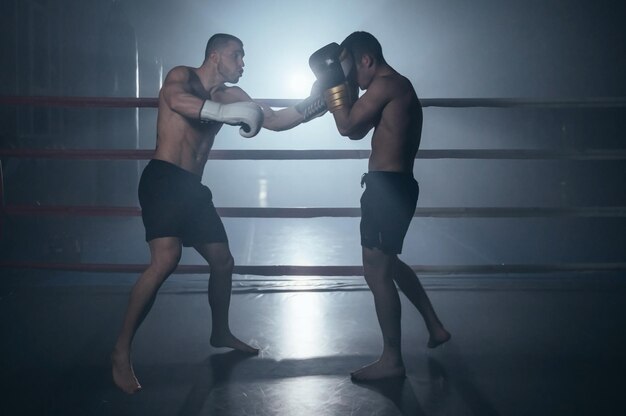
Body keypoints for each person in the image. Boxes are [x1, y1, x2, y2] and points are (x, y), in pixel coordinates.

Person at [111, 33, 325, 394]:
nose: (242, 62)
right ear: (215, 56)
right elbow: (175, 100)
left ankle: (220, 331)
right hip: (163, 179)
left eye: (243, 56)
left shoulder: (233, 96)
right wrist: (225, 115)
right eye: (236, 55)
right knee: (166, 260)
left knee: (222, 261)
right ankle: (120, 351)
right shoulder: (184, 76)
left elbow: (272, 119)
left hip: (192, 189)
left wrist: (316, 103)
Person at [309, 32, 451, 381]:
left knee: (376, 272)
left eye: (352, 71)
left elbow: (345, 126)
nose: (351, 79)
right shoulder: (391, 87)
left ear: (367, 60)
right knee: (389, 264)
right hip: (391, 186)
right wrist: (343, 89)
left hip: (388, 188)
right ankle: (435, 326)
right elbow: (358, 132)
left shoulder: (388, 85)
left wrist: (331, 83)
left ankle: (392, 360)